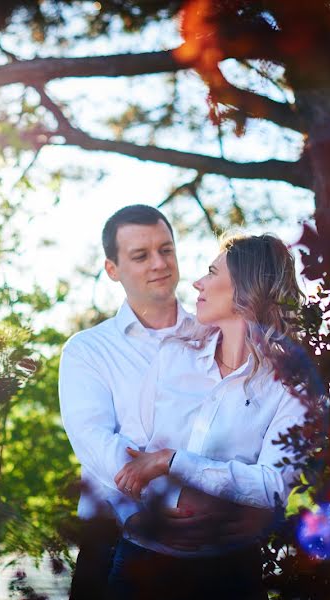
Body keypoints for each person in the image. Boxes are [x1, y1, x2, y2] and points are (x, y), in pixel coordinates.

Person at [58, 207, 275, 599]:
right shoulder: (88, 350)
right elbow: (95, 442)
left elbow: (257, 431)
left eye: (166, 250)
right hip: (114, 549)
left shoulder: (221, 334)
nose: (159, 264)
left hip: (221, 551)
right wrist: (169, 502)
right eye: (141, 256)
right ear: (112, 269)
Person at [108, 233, 311, 599]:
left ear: (245, 287)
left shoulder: (292, 386)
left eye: (211, 272)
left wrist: (173, 462)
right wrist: (159, 508)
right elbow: (130, 451)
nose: (197, 283)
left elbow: (273, 485)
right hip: (142, 564)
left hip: (228, 576)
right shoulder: (172, 357)